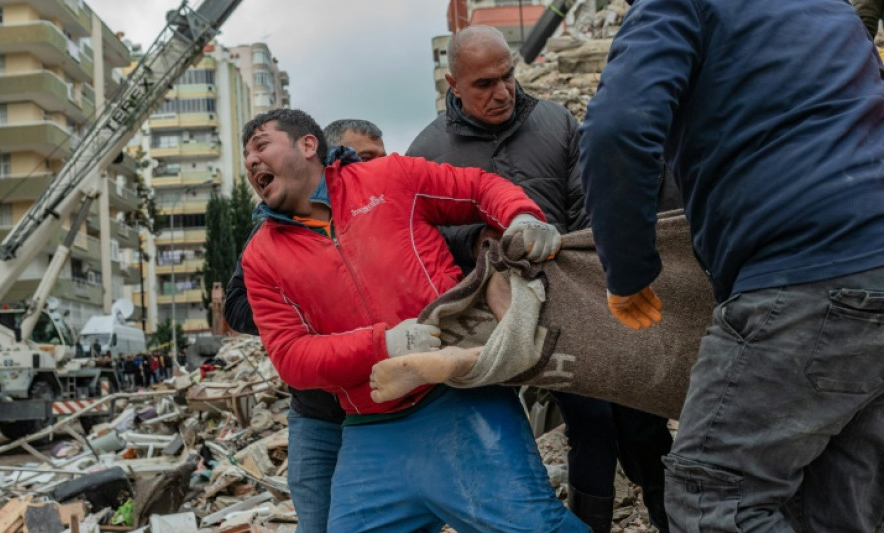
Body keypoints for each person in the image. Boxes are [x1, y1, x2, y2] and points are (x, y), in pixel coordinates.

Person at [579, 1, 884, 531]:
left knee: (711, 496)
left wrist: (628, 273)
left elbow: (618, 128)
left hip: (804, 272)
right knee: (834, 505)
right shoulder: (827, 6)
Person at [241, 108, 587, 533]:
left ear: (308, 145)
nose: (251, 161)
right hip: (372, 432)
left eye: (261, 145)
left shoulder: (388, 178)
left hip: (459, 401)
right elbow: (291, 358)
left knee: (534, 527)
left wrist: (520, 215)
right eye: (246, 156)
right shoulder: (261, 256)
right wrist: (384, 345)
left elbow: (478, 189)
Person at [406, 25, 671, 533]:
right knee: (587, 421)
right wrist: (479, 242)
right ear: (452, 83)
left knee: (642, 421)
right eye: (484, 83)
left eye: (508, 76)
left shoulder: (555, 122)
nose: (502, 92)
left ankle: (671, 516)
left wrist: (572, 253)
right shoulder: (429, 150)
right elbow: (429, 233)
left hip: (589, 297)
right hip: (502, 315)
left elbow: (588, 200)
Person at [224, 117, 388, 533]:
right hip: (317, 414)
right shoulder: (276, 229)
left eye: (376, 160)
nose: (368, 169)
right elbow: (236, 305)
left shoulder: (385, 206)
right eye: (360, 159)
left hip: (390, 409)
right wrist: (303, 320)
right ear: (324, 154)